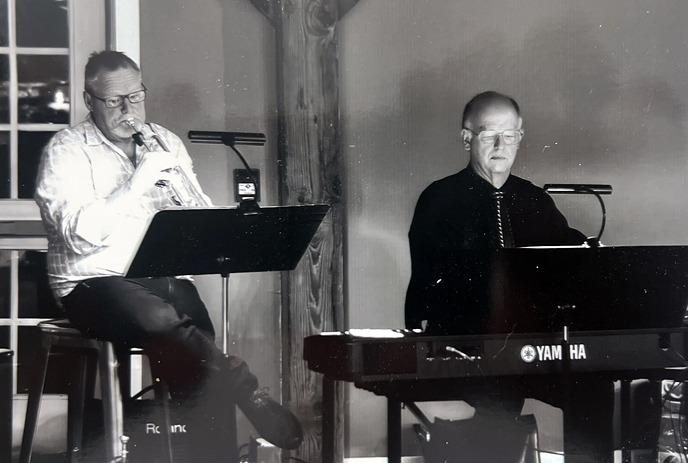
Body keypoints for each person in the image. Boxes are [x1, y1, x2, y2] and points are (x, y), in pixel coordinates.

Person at [34, 50, 303, 450]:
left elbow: (198, 219)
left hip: (160, 276)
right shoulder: (66, 150)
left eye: (136, 96)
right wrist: (139, 182)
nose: (128, 110)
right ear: (89, 101)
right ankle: (246, 391)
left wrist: (195, 204)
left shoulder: (165, 142)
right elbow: (77, 235)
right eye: (114, 101)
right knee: (164, 322)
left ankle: (207, 451)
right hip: (91, 281)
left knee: (197, 330)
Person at [405, 91, 613, 462]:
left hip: (529, 350)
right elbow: (430, 286)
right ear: (467, 138)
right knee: (499, 402)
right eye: (489, 135)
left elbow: (568, 260)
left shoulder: (534, 200)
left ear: (521, 135)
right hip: (468, 349)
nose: (501, 145)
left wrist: (586, 253)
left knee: (592, 389)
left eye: (510, 135)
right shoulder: (439, 200)